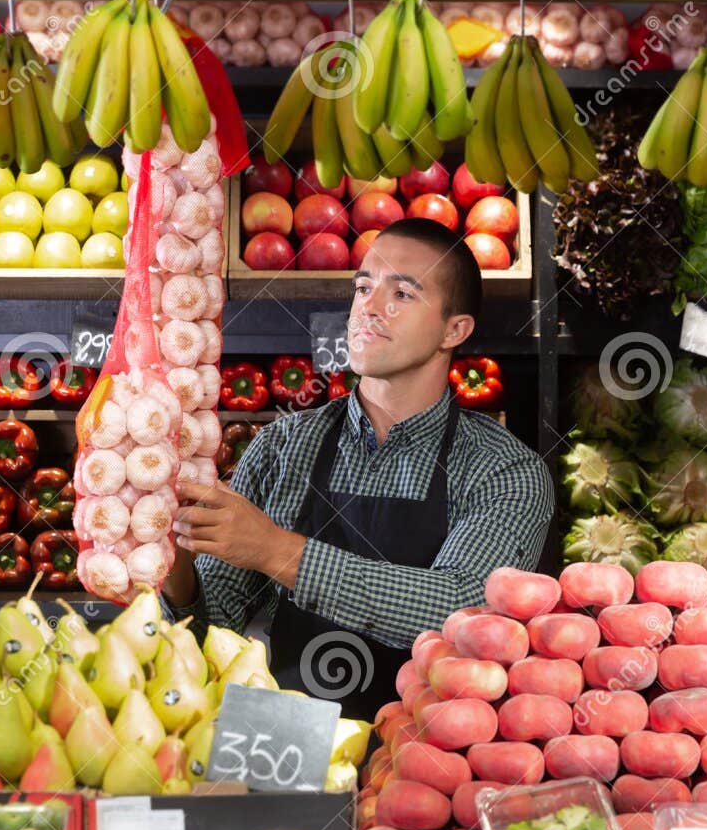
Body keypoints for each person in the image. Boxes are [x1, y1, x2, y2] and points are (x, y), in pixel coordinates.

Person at [162, 217, 554, 719]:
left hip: (431, 757)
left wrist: (275, 549)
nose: (368, 306)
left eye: (402, 293)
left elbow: (461, 612)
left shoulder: (504, 469)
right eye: (364, 287)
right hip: (288, 749)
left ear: (454, 330)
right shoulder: (283, 446)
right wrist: (176, 566)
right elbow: (215, 626)